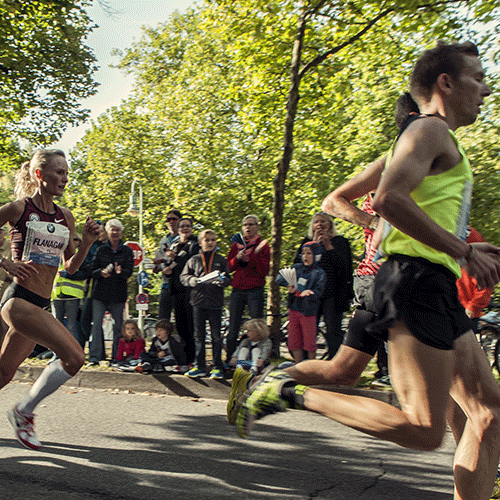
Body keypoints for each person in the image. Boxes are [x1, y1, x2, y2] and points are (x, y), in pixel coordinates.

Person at [233, 42, 500, 500]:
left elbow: (369, 200)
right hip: (413, 283)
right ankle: (285, 392)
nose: (487, 88)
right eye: (478, 77)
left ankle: (270, 377)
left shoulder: (427, 139)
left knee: (487, 411)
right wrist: (463, 249)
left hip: (414, 280)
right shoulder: (430, 132)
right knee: (423, 429)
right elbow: (389, 199)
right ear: (446, 83)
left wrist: (464, 249)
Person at [0, 149, 99, 450]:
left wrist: (88, 243)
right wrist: (5, 263)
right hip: (19, 302)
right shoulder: (18, 209)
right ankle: (24, 412)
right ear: (39, 174)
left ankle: (22, 411)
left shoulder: (64, 216)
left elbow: (70, 266)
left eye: (67, 173)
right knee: (75, 357)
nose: (64, 178)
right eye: (58, 172)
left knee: (3, 373)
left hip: (40, 304)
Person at [293, 212, 353, 359]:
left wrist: (328, 246)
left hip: (333, 293)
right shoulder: (306, 243)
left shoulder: (340, 242)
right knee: (308, 328)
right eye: (316, 222)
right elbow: (298, 267)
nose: (319, 225)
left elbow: (345, 268)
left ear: (330, 225)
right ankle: (307, 361)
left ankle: (335, 362)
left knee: (333, 329)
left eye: (323, 222)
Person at [180, 229, 231, 379]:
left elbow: (228, 279)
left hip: (215, 302)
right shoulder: (194, 259)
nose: (210, 243)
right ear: (200, 242)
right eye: (207, 240)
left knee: (216, 336)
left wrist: (223, 281)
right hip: (198, 301)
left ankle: (217, 367)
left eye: (213, 240)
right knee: (199, 336)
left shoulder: (221, 260)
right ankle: (199, 366)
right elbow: (183, 277)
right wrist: (192, 280)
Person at [88, 219, 134, 365]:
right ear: (107, 232)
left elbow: (129, 272)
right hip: (100, 295)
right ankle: (94, 357)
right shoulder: (101, 249)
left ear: (121, 233)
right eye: (112, 230)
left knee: (118, 327)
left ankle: (117, 357)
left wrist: (120, 272)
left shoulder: (127, 251)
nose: (115, 233)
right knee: (96, 325)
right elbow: (92, 270)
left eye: (117, 230)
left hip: (118, 295)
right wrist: (101, 272)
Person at [225, 215, 270, 364]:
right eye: (245, 225)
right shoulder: (236, 245)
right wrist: (237, 258)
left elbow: (264, 271)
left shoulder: (263, 245)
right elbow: (228, 268)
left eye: (251, 224)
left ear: (257, 226)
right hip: (237, 289)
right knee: (233, 326)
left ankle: (258, 360)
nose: (248, 227)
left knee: (257, 326)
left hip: (255, 289)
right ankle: (231, 359)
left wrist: (255, 255)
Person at [277, 241, 326, 363]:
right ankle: (298, 365)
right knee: (294, 340)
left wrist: (304, 291)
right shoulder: (296, 268)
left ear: (316, 255)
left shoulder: (319, 273)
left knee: (309, 341)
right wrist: (289, 284)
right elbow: (279, 278)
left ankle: (310, 367)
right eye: (303, 253)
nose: (305, 256)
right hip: (294, 309)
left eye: (309, 253)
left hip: (308, 311)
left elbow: (318, 291)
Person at [168, 217, 199, 365]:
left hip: (190, 290)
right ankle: (184, 359)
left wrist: (177, 258)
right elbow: (172, 263)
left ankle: (194, 358)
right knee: (180, 325)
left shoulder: (195, 243)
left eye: (187, 226)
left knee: (191, 325)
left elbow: (193, 261)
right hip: (176, 289)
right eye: (182, 226)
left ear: (192, 228)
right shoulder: (174, 244)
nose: (185, 229)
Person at [51, 233, 88, 343]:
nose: (71, 242)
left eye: (75, 240)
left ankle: (73, 353)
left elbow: (85, 274)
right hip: (56, 294)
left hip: (72, 295)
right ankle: (56, 354)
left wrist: (67, 275)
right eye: (68, 239)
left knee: (71, 326)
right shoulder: (55, 254)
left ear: (79, 242)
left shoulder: (80, 255)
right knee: (56, 326)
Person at [456, 226, 493, 333]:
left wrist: (473, 307)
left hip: (467, 311)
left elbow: (486, 285)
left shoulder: (478, 262)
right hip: (453, 307)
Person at [78, 222, 108, 349]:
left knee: (93, 322)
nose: (99, 233)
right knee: (85, 321)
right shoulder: (93, 245)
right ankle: (90, 349)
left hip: (101, 290)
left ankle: (96, 351)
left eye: (101, 231)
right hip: (89, 288)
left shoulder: (107, 247)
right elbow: (86, 265)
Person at [153, 209, 181, 321]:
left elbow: (185, 259)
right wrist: (157, 267)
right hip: (166, 284)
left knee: (181, 319)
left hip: (180, 285)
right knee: (163, 319)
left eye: (174, 219)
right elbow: (162, 261)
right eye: (168, 219)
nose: (171, 221)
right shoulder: (163, 240)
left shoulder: (184, 239)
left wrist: (172, 266)